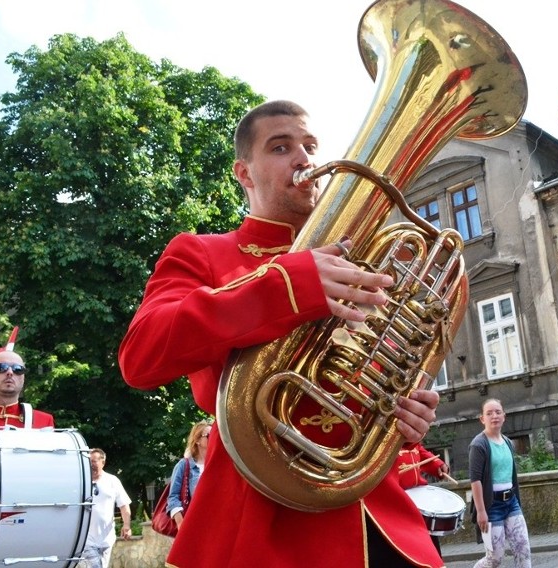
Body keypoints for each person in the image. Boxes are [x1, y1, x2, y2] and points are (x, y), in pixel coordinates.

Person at [118, 100, 442, 567]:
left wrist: (402, 414)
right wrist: (288, 284)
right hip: (258, 520)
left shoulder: (364, 262)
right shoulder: (204, 253)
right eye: (281, 146)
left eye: (310, 145)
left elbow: (374, 379)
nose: (304, 158)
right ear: (244, 173)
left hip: (380, 519)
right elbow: (140, 357)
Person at [468, 398, 532, 568]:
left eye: (497, 412)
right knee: (494, 559)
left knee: (523, 551)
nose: (494, 416)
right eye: (489, 413)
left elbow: (511, 477)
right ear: (482, 419)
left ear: (504, 416)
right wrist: (481, 511)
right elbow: (475, 480)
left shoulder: (508, 443)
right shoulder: (478, 444)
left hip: (511, 503)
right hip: (491, 507)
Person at [0, 331, 54, 448]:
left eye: (18, 369)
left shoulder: (44, 421)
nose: (10, 373)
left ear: (23, 379)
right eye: (1, 368)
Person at [396, 443, 451, 556]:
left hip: (419, 503)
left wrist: (437, 464)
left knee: (430, 549)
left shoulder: (411, 439)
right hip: (397, 504)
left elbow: (418, 449)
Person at [82, 447, 132, 568]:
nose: (91, 465)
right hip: (87, 538)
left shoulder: (112, 481)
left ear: (103, 462)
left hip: (107, 538)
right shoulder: (82, 482)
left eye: (94, 461)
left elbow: (124, 505)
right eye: (88, 461)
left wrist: (126, 526)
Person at [167, 421, 212, 531]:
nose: (213, 439)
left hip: (216, 523)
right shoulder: (184, 465)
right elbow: (173, 497)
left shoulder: (217, 465)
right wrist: (181, 523)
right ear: (197, 440)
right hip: (194, 525)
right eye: (209, 436)